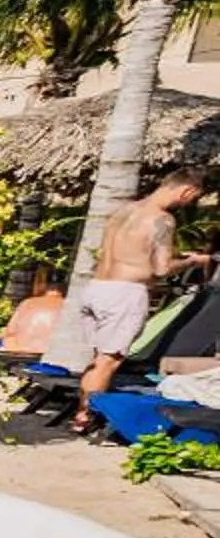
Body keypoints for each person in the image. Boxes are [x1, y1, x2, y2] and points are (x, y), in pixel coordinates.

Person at [66, 169, 213, 433]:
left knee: (99, 359)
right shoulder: (162, 220)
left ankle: (83, 410)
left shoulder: (124, 210)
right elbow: (160, 268)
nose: (189, 204)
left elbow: (130, 250)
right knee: (109, 361)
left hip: (97, 287)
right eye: (192, 199)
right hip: (125, 293)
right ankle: (85, 418)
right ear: (187, 191)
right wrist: (193, 260)